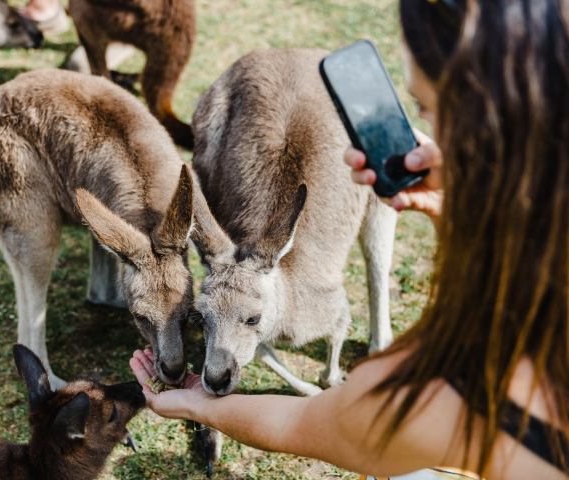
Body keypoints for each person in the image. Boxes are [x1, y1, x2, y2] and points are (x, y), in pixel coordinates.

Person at [129, 0, 569, 478]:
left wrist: (201, 406)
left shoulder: (439, 399)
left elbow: (308, 425)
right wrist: (462, 197)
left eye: (424, 107)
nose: (422, 131)